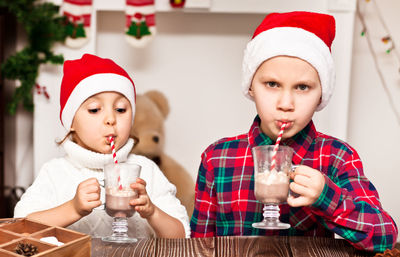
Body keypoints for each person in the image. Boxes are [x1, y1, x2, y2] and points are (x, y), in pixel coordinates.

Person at [190, 11, 398, 252]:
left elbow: (384, 237)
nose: (286, 103)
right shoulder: (218, 158)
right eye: (272, 84)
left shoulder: (336, 157)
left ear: (321, 94)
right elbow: (199, 247)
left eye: (302, 87)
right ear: (250, 87)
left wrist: (327, 198)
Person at [14, 54, 190, 238]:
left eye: (121, 109)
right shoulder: (55, 173)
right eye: (94, 110)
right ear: (71, 121)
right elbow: (21, 229)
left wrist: (153, 213)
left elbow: (181, 236)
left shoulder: (147, 170)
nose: (111, 119)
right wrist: (72, 208)